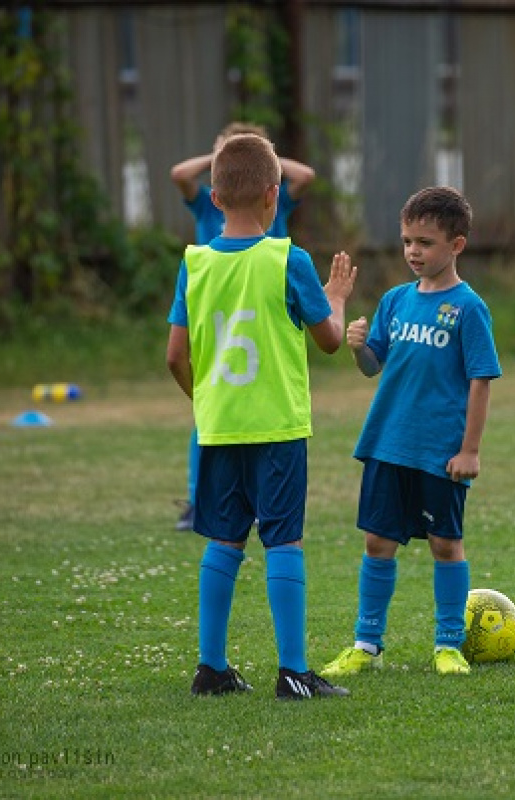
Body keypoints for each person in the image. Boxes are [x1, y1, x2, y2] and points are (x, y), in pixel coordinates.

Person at [166, 132, 355, 700]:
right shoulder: (287, 259)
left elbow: (175, 356)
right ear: (275, 196)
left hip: (218, 428)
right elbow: (328, 341)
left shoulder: (194, 263)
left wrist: (206, 403)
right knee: (283, 542)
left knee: (224, 541)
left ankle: (211, 668)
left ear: (215, 199)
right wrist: (337, 296)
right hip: (276, 427)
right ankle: (293, 671)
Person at [320, 186, 501, 678]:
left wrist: (470, 450)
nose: (413, 252)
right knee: (377, 542)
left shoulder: (468, 308)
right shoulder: (396, 301)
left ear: (456, 246)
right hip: (387, 443)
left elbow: (480, 381)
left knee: (445, 544)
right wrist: (358, 347)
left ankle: (448, 645)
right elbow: (373, 366)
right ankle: (366, 643)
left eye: (425, 242)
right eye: (406, 241)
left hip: (440, 452)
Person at [170, 121, 316, 531]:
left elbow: (304, 177)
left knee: (223, 418)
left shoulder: (277, 206)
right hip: (226, 308)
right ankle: (200, 500)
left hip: (266, 309)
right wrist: (226, 158)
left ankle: (238, 508)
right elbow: (179, 174)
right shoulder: (205, 208)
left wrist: (255, 157)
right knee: (217, 424)